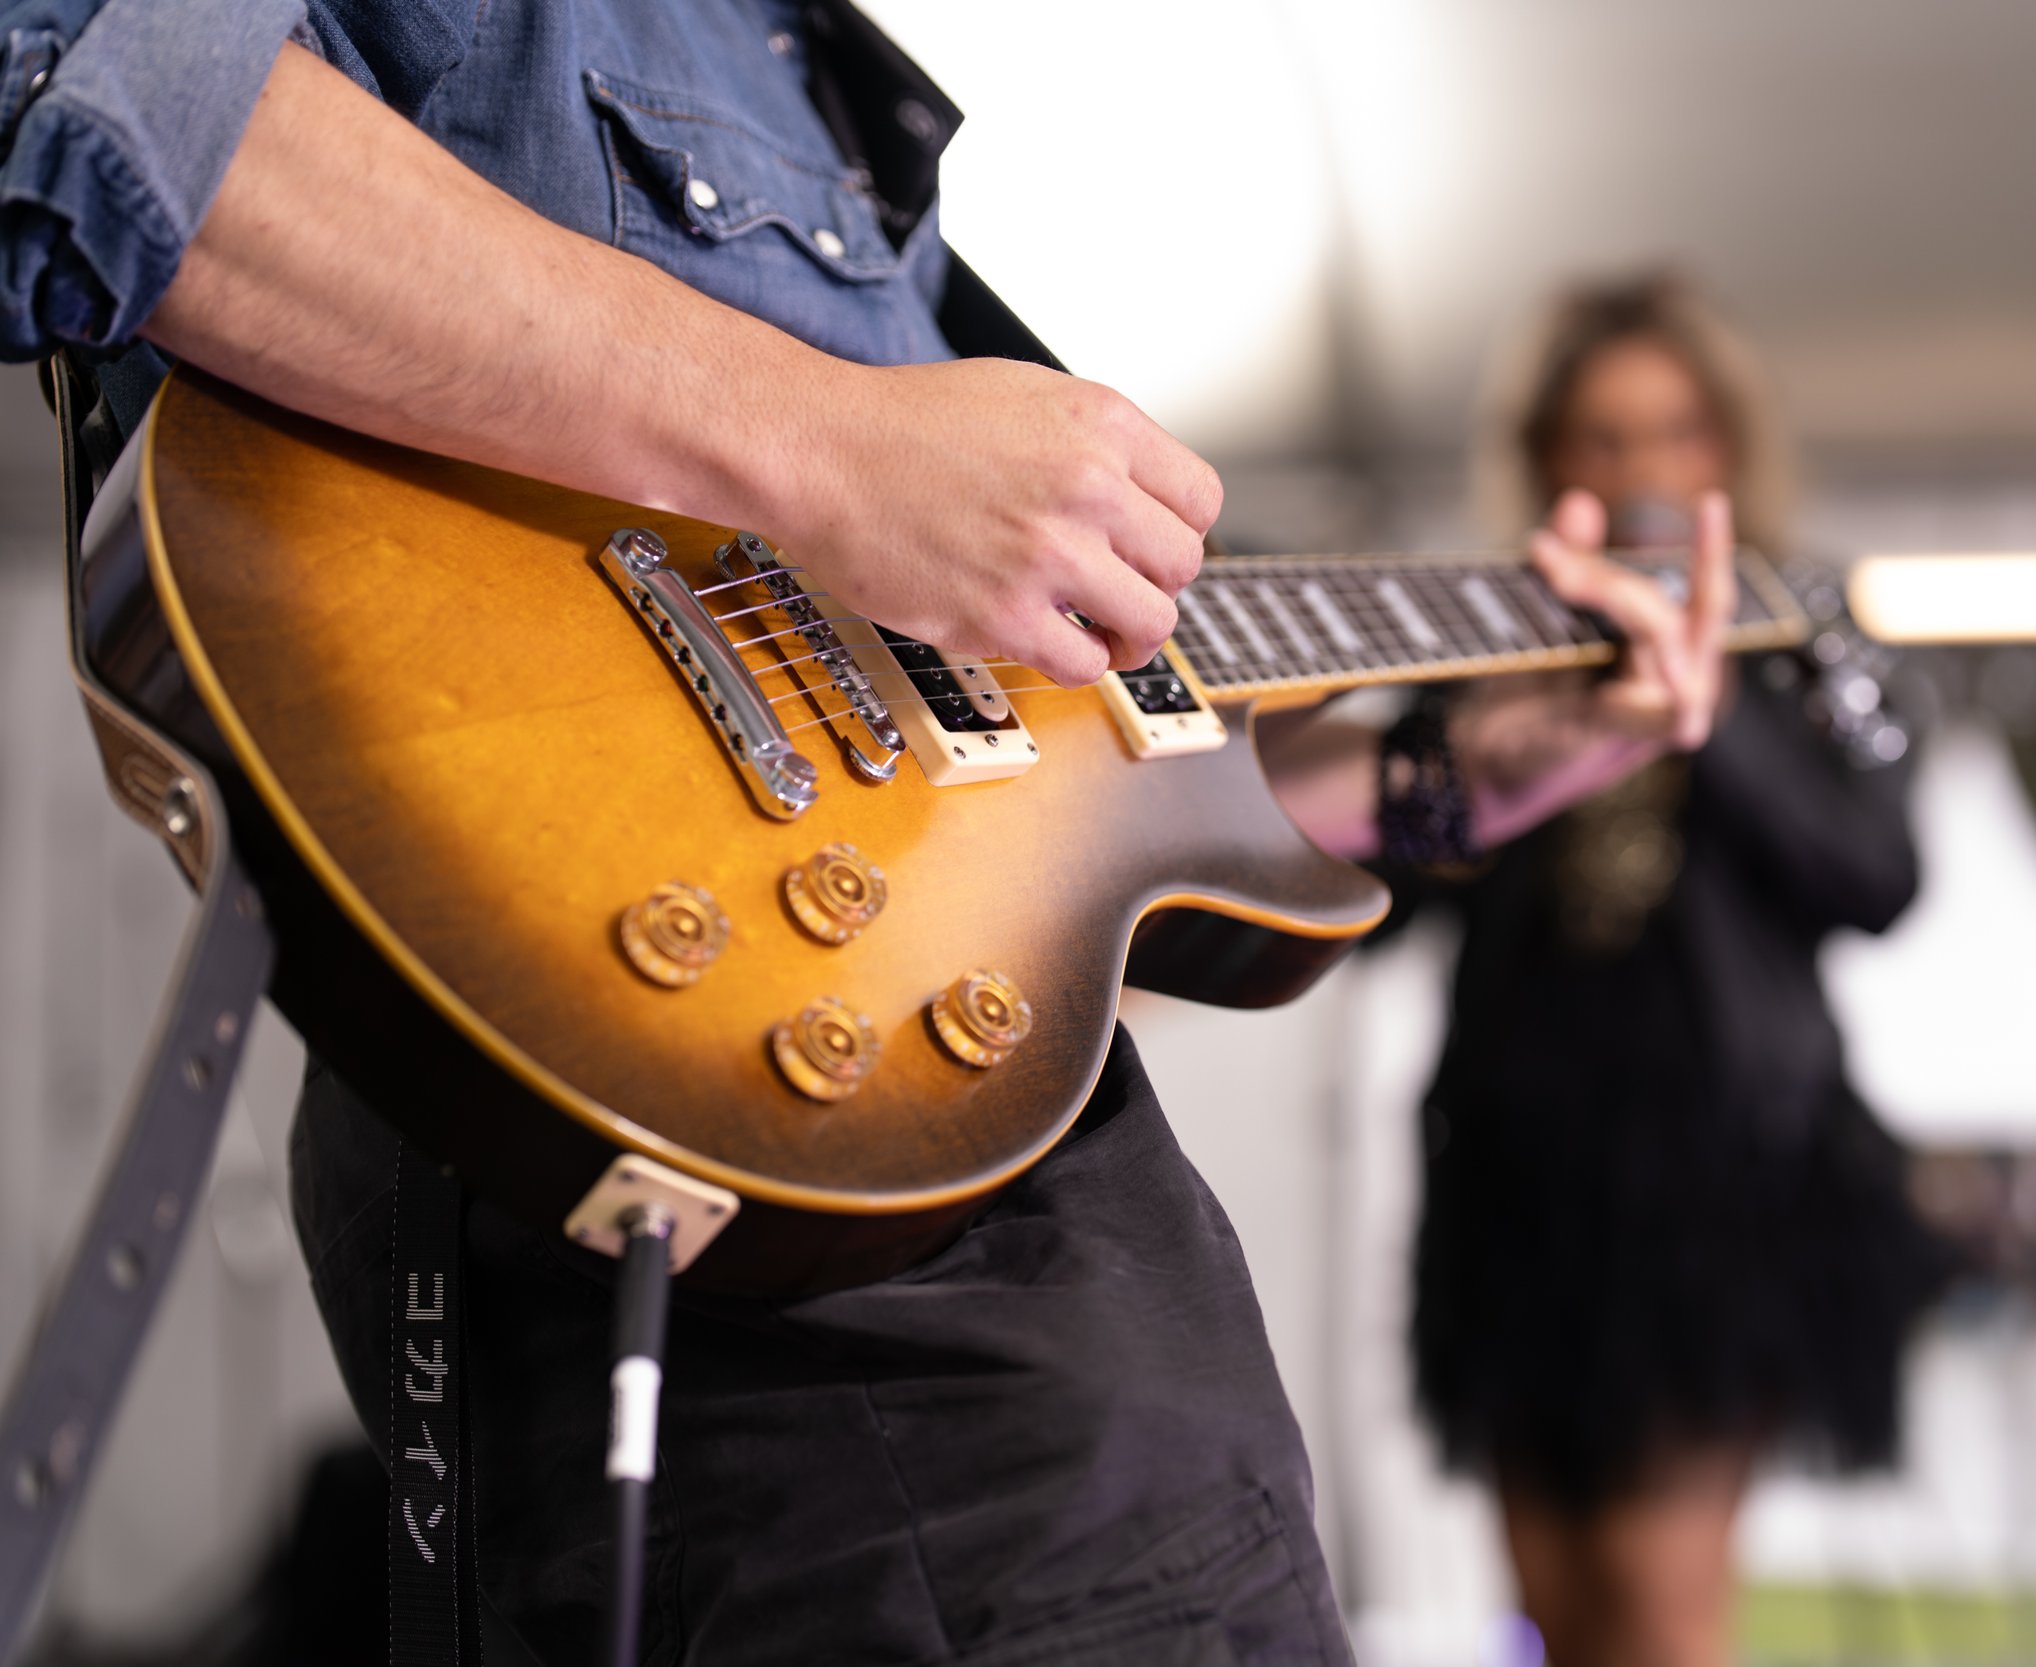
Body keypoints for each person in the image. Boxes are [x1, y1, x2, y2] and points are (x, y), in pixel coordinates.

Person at [0, 5, 1739, 1660]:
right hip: (735, 1152)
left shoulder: (800, 66)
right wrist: (824, 437)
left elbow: (1014, 781)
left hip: (894, 1146)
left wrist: (1452, 780)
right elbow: (84, 90)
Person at [1406, 276, 1947, 1667]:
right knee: (1554, 1612)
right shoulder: (1480, 639)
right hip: (1518, 1183)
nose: (1642, 470)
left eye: (1673, 433)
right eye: (1602, 437)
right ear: (1544, 459)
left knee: (1657, 1613)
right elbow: (1389, 889)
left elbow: (1875, 876)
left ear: (1726, 446)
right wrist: (1492, 744)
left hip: (1724, 1186)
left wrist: (1688, 688)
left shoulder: (1807, 635)